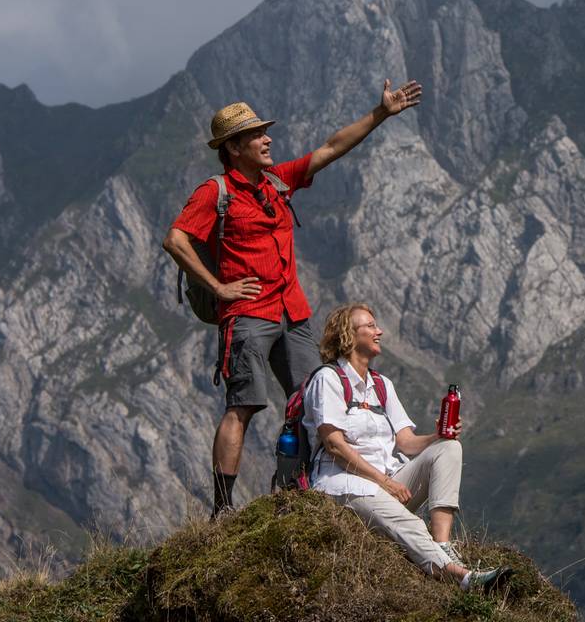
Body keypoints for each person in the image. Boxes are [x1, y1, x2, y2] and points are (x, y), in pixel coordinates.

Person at [162, 80, 422, 517]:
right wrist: (220, 288)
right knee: (243, 404)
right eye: (256, 136)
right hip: (247, 312)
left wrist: (381, 113)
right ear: (233, 148)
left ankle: (298, 492)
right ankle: (222, 508)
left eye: (265, 133)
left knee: (312, 403)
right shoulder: (216, 192)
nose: (267, 140)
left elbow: (331, 148)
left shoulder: (276, 182)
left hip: (292, 312)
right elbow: (175, 239)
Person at [304, 302, 510, 591]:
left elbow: (406, 443)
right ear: (348, 335)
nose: (379, 331)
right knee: (411, 524)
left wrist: (438, 436)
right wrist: (384, 482)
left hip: (387, 482)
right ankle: (463, 579)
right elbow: (334, 445)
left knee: (449, 448)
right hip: (345, 484)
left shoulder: (382, 384)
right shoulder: (327, 379)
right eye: (371, 326)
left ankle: (443, 544)